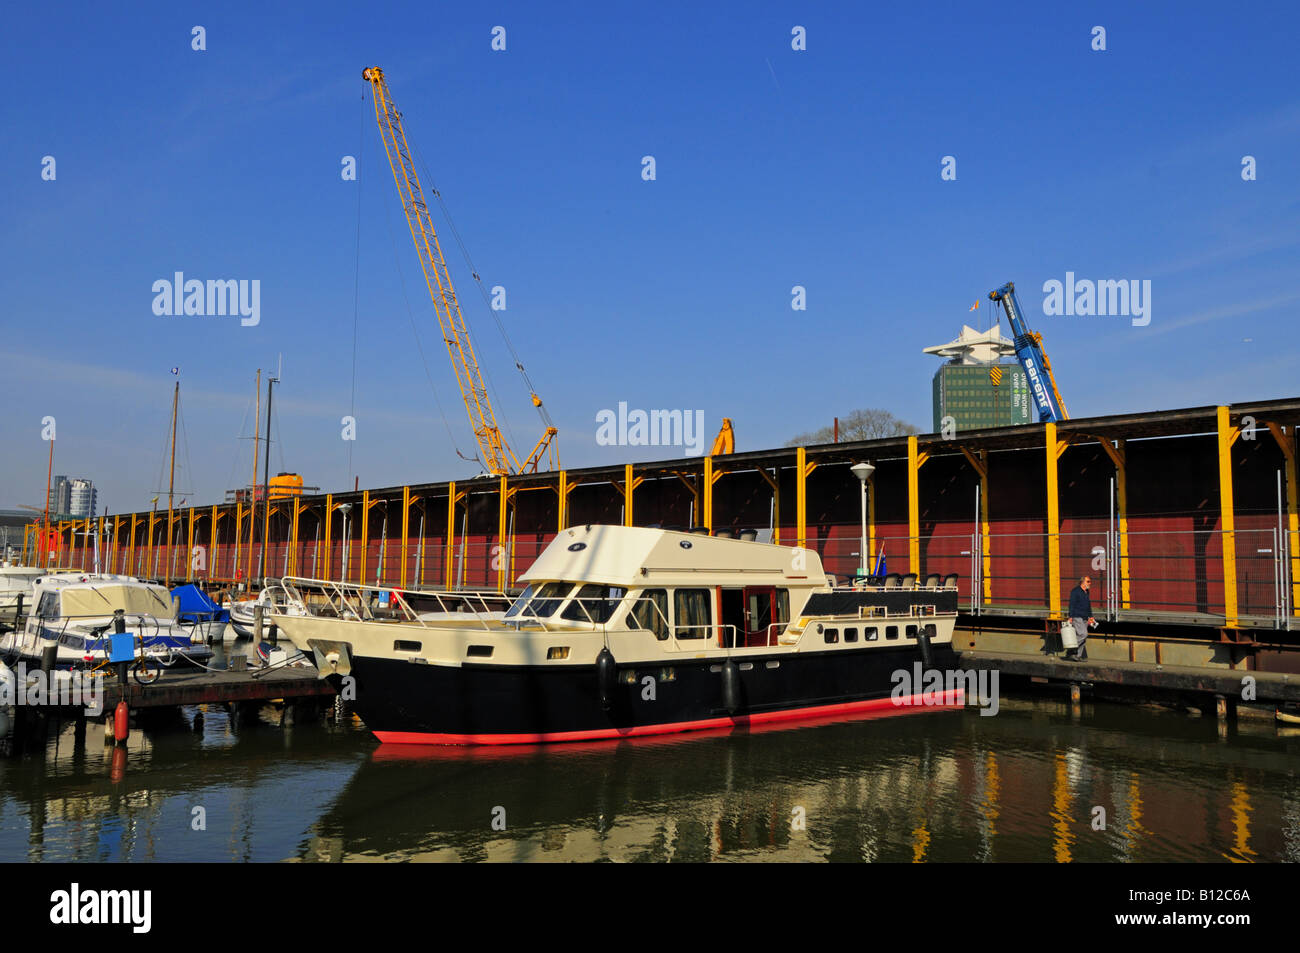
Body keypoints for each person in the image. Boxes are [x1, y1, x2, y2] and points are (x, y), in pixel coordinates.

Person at [1066, 575, 1097, 661]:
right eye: (1088, 581)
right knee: (1083, 634)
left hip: (1085, 617)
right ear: (1082, 582)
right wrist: (1070, 616)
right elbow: (1071, 604)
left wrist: (1090, 616)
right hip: (1077, 616)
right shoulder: (1075, 591)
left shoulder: (1087, 592)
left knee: (1083, 638)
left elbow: (1088, 605)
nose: (1090, 583)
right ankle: (1071, 648)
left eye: (1090, 581)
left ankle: (1078, 656)